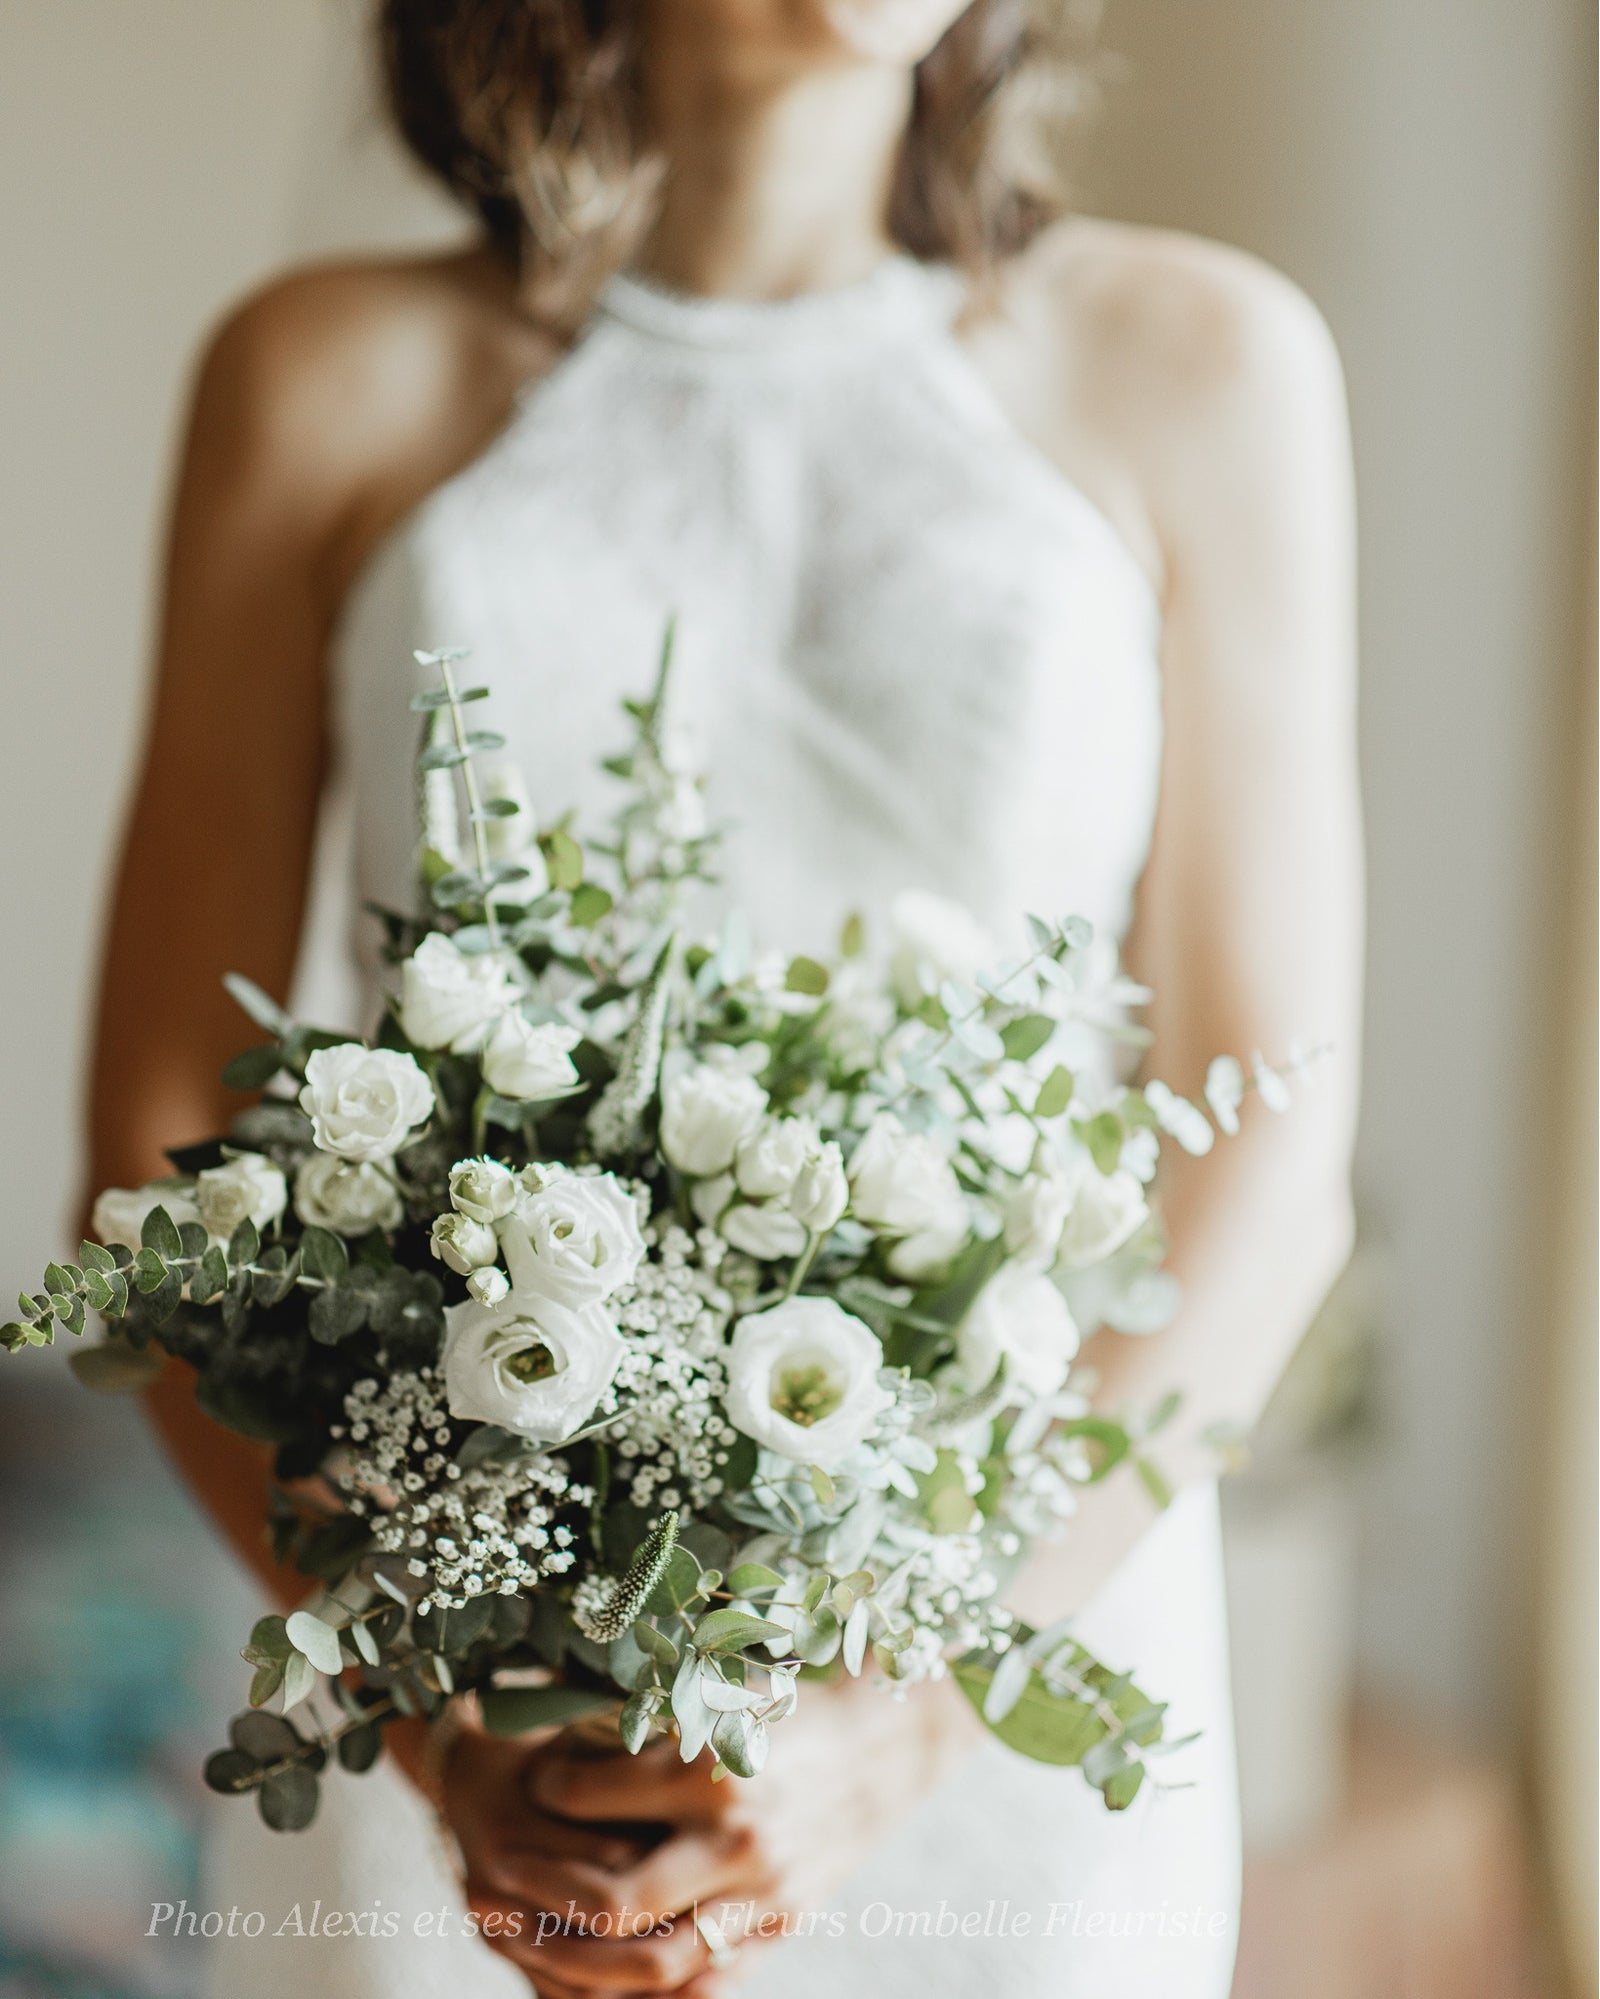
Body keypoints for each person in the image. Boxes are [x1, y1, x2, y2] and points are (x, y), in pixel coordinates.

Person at [86, 1, 1363, 1992]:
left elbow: (1261, 1137)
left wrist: (909, 1719)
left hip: (1003, 1682)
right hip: (468, 1694)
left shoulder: (1197, 365)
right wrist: (438, 1724)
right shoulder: (324, 375)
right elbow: (162, 1136)